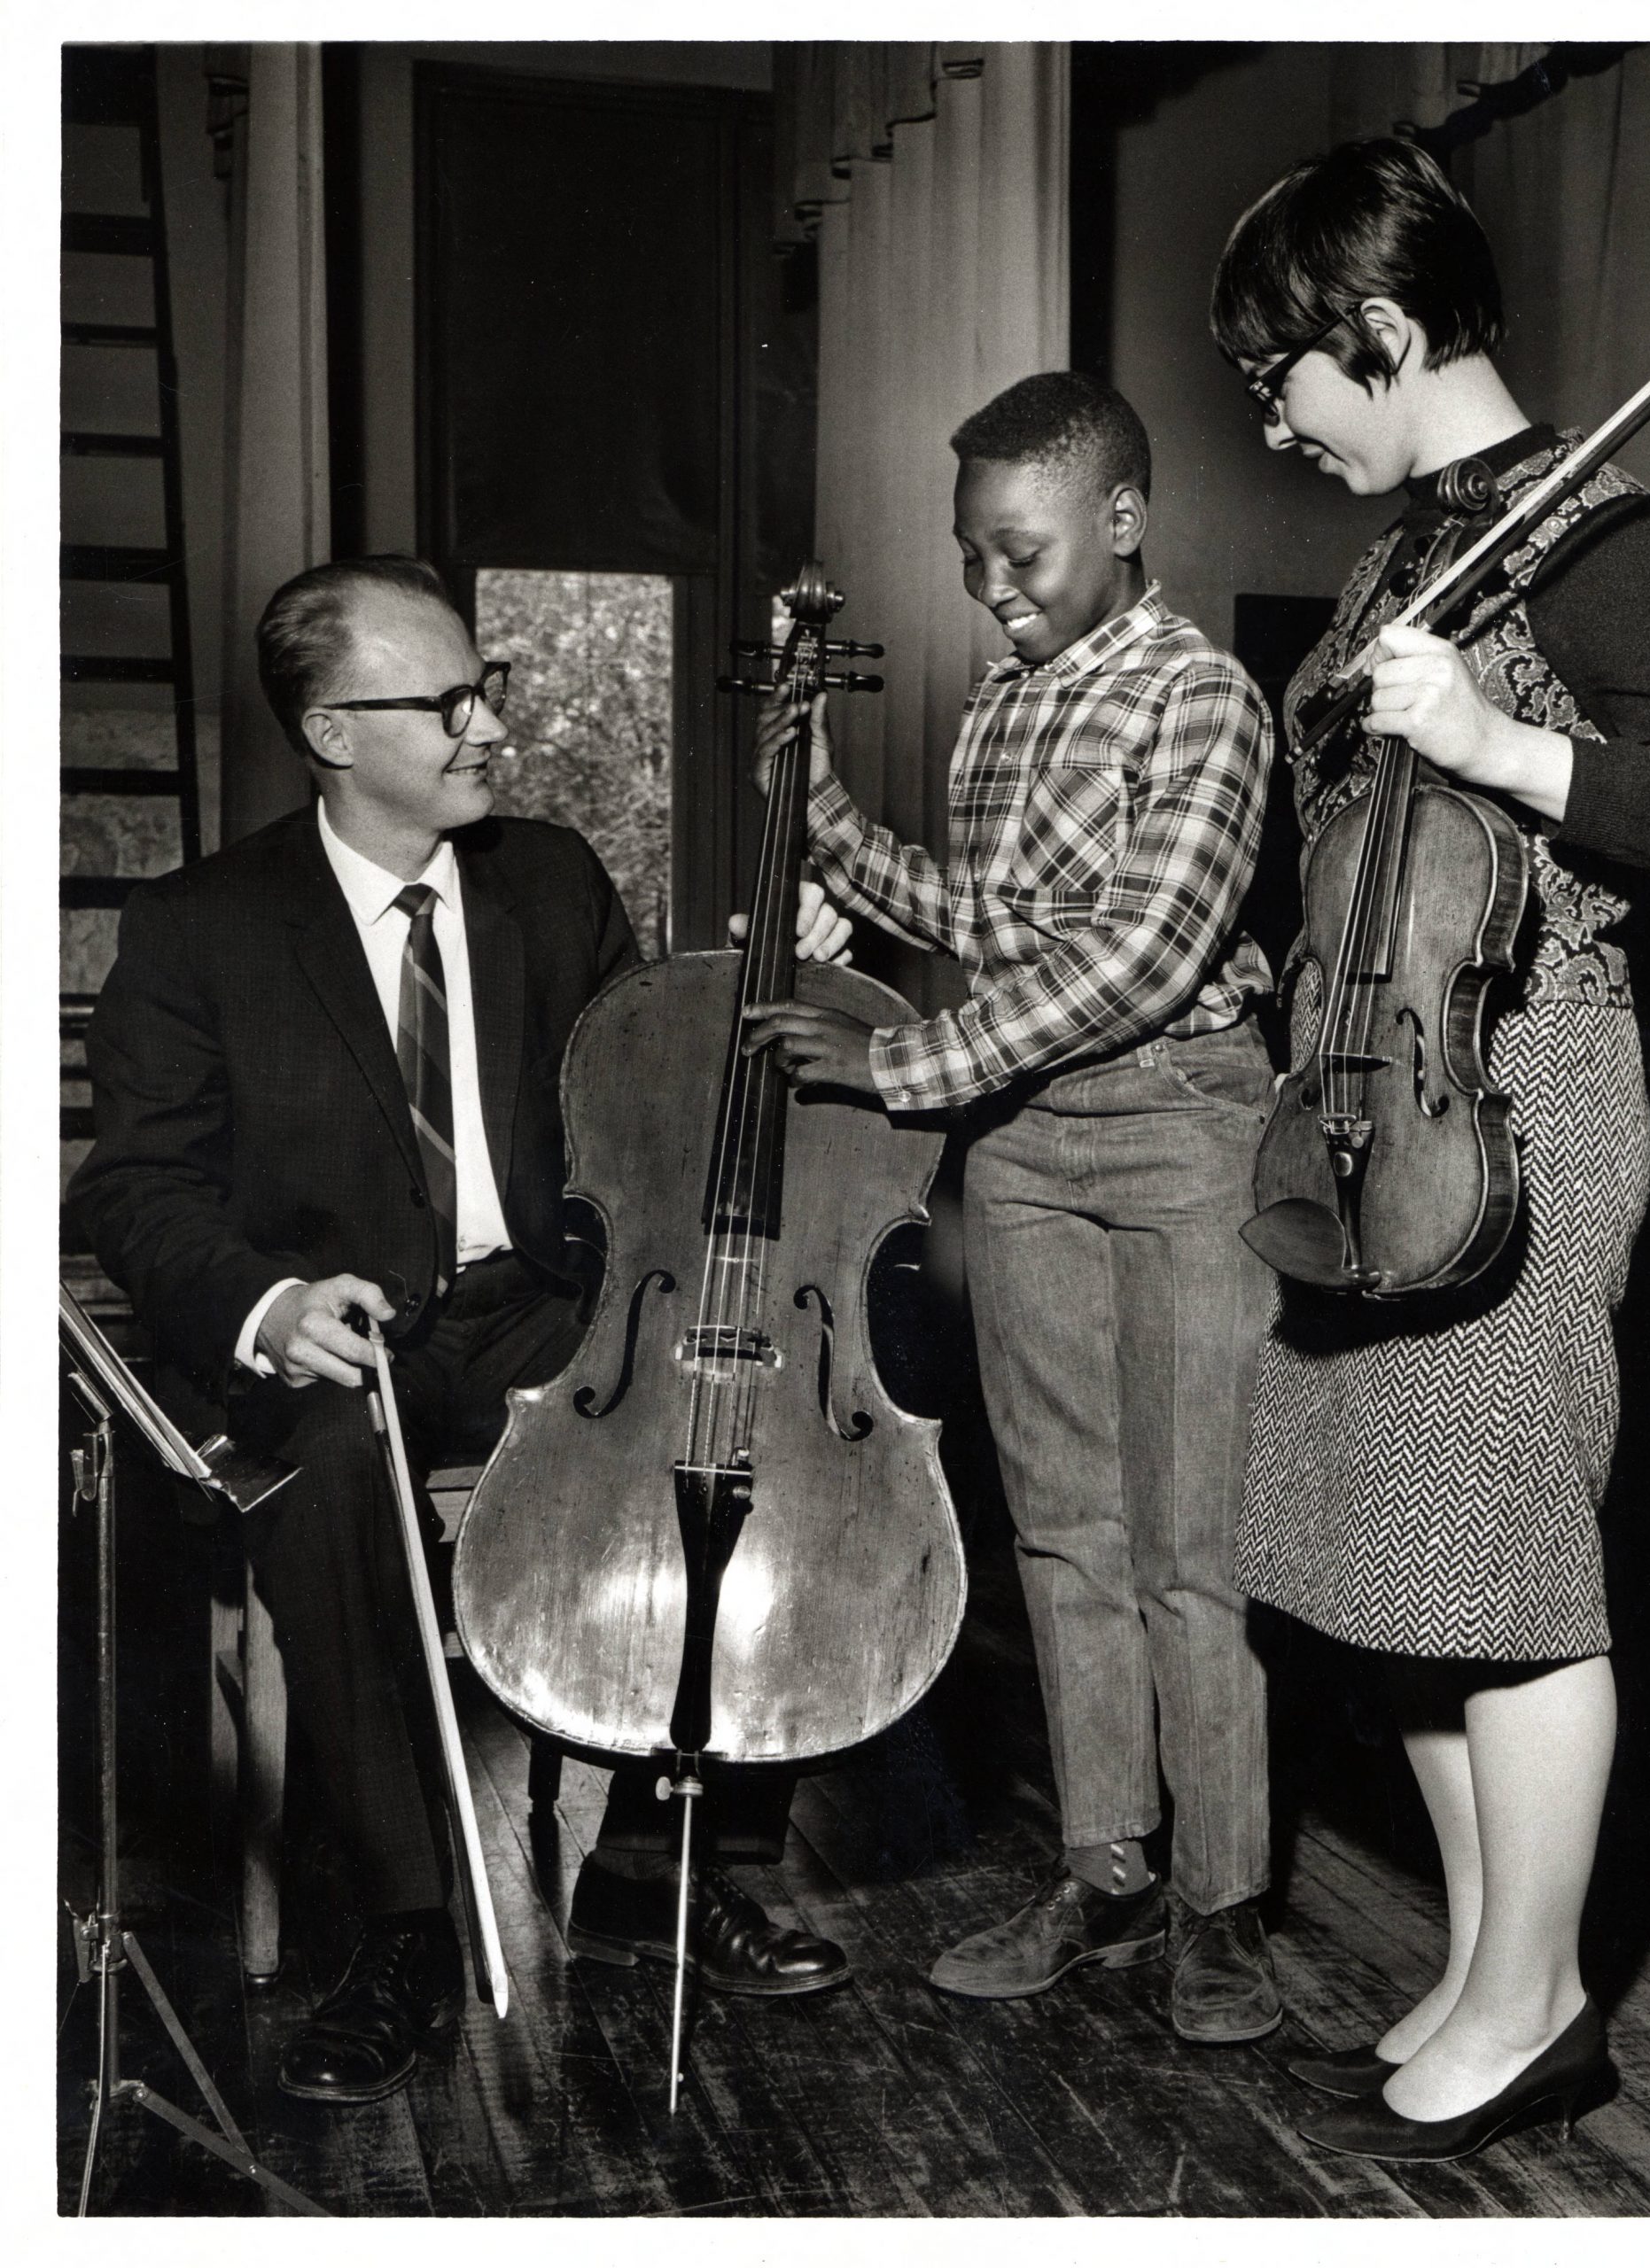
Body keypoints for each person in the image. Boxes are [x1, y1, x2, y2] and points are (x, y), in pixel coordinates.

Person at [71, 555, 857, 2109]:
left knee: (723, 1431)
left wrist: (786, 970)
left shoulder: (549, 878)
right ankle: (407, 1927)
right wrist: (269, 1306)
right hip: (340, 1339)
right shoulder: (199, 927)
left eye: (484, 684)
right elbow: (135, 1191)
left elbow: (653, 1106)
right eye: (445, 700)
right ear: (329, 732)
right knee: (335, 1491)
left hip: (537, 1310)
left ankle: (652, 1866)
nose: (488, 722)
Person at [1207, 138, 1650, 2160]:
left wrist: (1496, 741)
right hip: (1370, 1092)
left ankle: (1545, 2002)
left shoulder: (1608, 535)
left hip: (1520, 1098)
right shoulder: (1412, 545)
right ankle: (1482, 1961)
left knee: (1509, 1567)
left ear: (1377, 333)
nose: (1270, 423)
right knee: (1397, 1567)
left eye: (1283, 377)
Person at [744, 373, 1283, 2043]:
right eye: (970, 556)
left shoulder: (1203, 699)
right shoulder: (1000, 700)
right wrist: (820, 814)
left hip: (1184, 1128)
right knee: (1061, 1531)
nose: (991, 585)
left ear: (1120, 522)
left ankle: (1223, 1908)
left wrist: (902, 1067)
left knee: (1195, 1553)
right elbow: (985, 922)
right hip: (1024, 1142)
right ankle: (1107, 1871)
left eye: (1019, 552)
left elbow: (1139, 960)